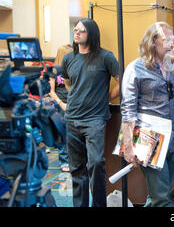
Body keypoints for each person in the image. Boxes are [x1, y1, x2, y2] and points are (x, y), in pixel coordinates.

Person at [120, 22, 174, 207]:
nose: (172, 45)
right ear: (153, 42)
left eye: (173, 40)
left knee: (163, 193)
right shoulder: (135, 68)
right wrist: (128, 145)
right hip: (148, 138)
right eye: (167, 40)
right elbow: (128, 110)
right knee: (161, 198)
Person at [61, 18, 120, 207]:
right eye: (75, 30)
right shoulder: (69, 58)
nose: (76, 33)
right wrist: (74, 95)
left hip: (94, 120)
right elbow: (68, 81)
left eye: (81, 31)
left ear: (91, 34)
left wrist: (109, 97)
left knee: (95, 163)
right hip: (72, 119)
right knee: (77, 169)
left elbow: (123, 80)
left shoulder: (105, 57)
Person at [48, 44, 73, 172]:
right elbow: (51, 91)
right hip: (61, 105)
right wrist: (61, 103)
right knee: (64, 134)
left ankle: (75, 160)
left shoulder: (72, 68)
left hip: (74, 105)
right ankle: (64, 161)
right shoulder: (54, 71)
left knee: (74, 134)